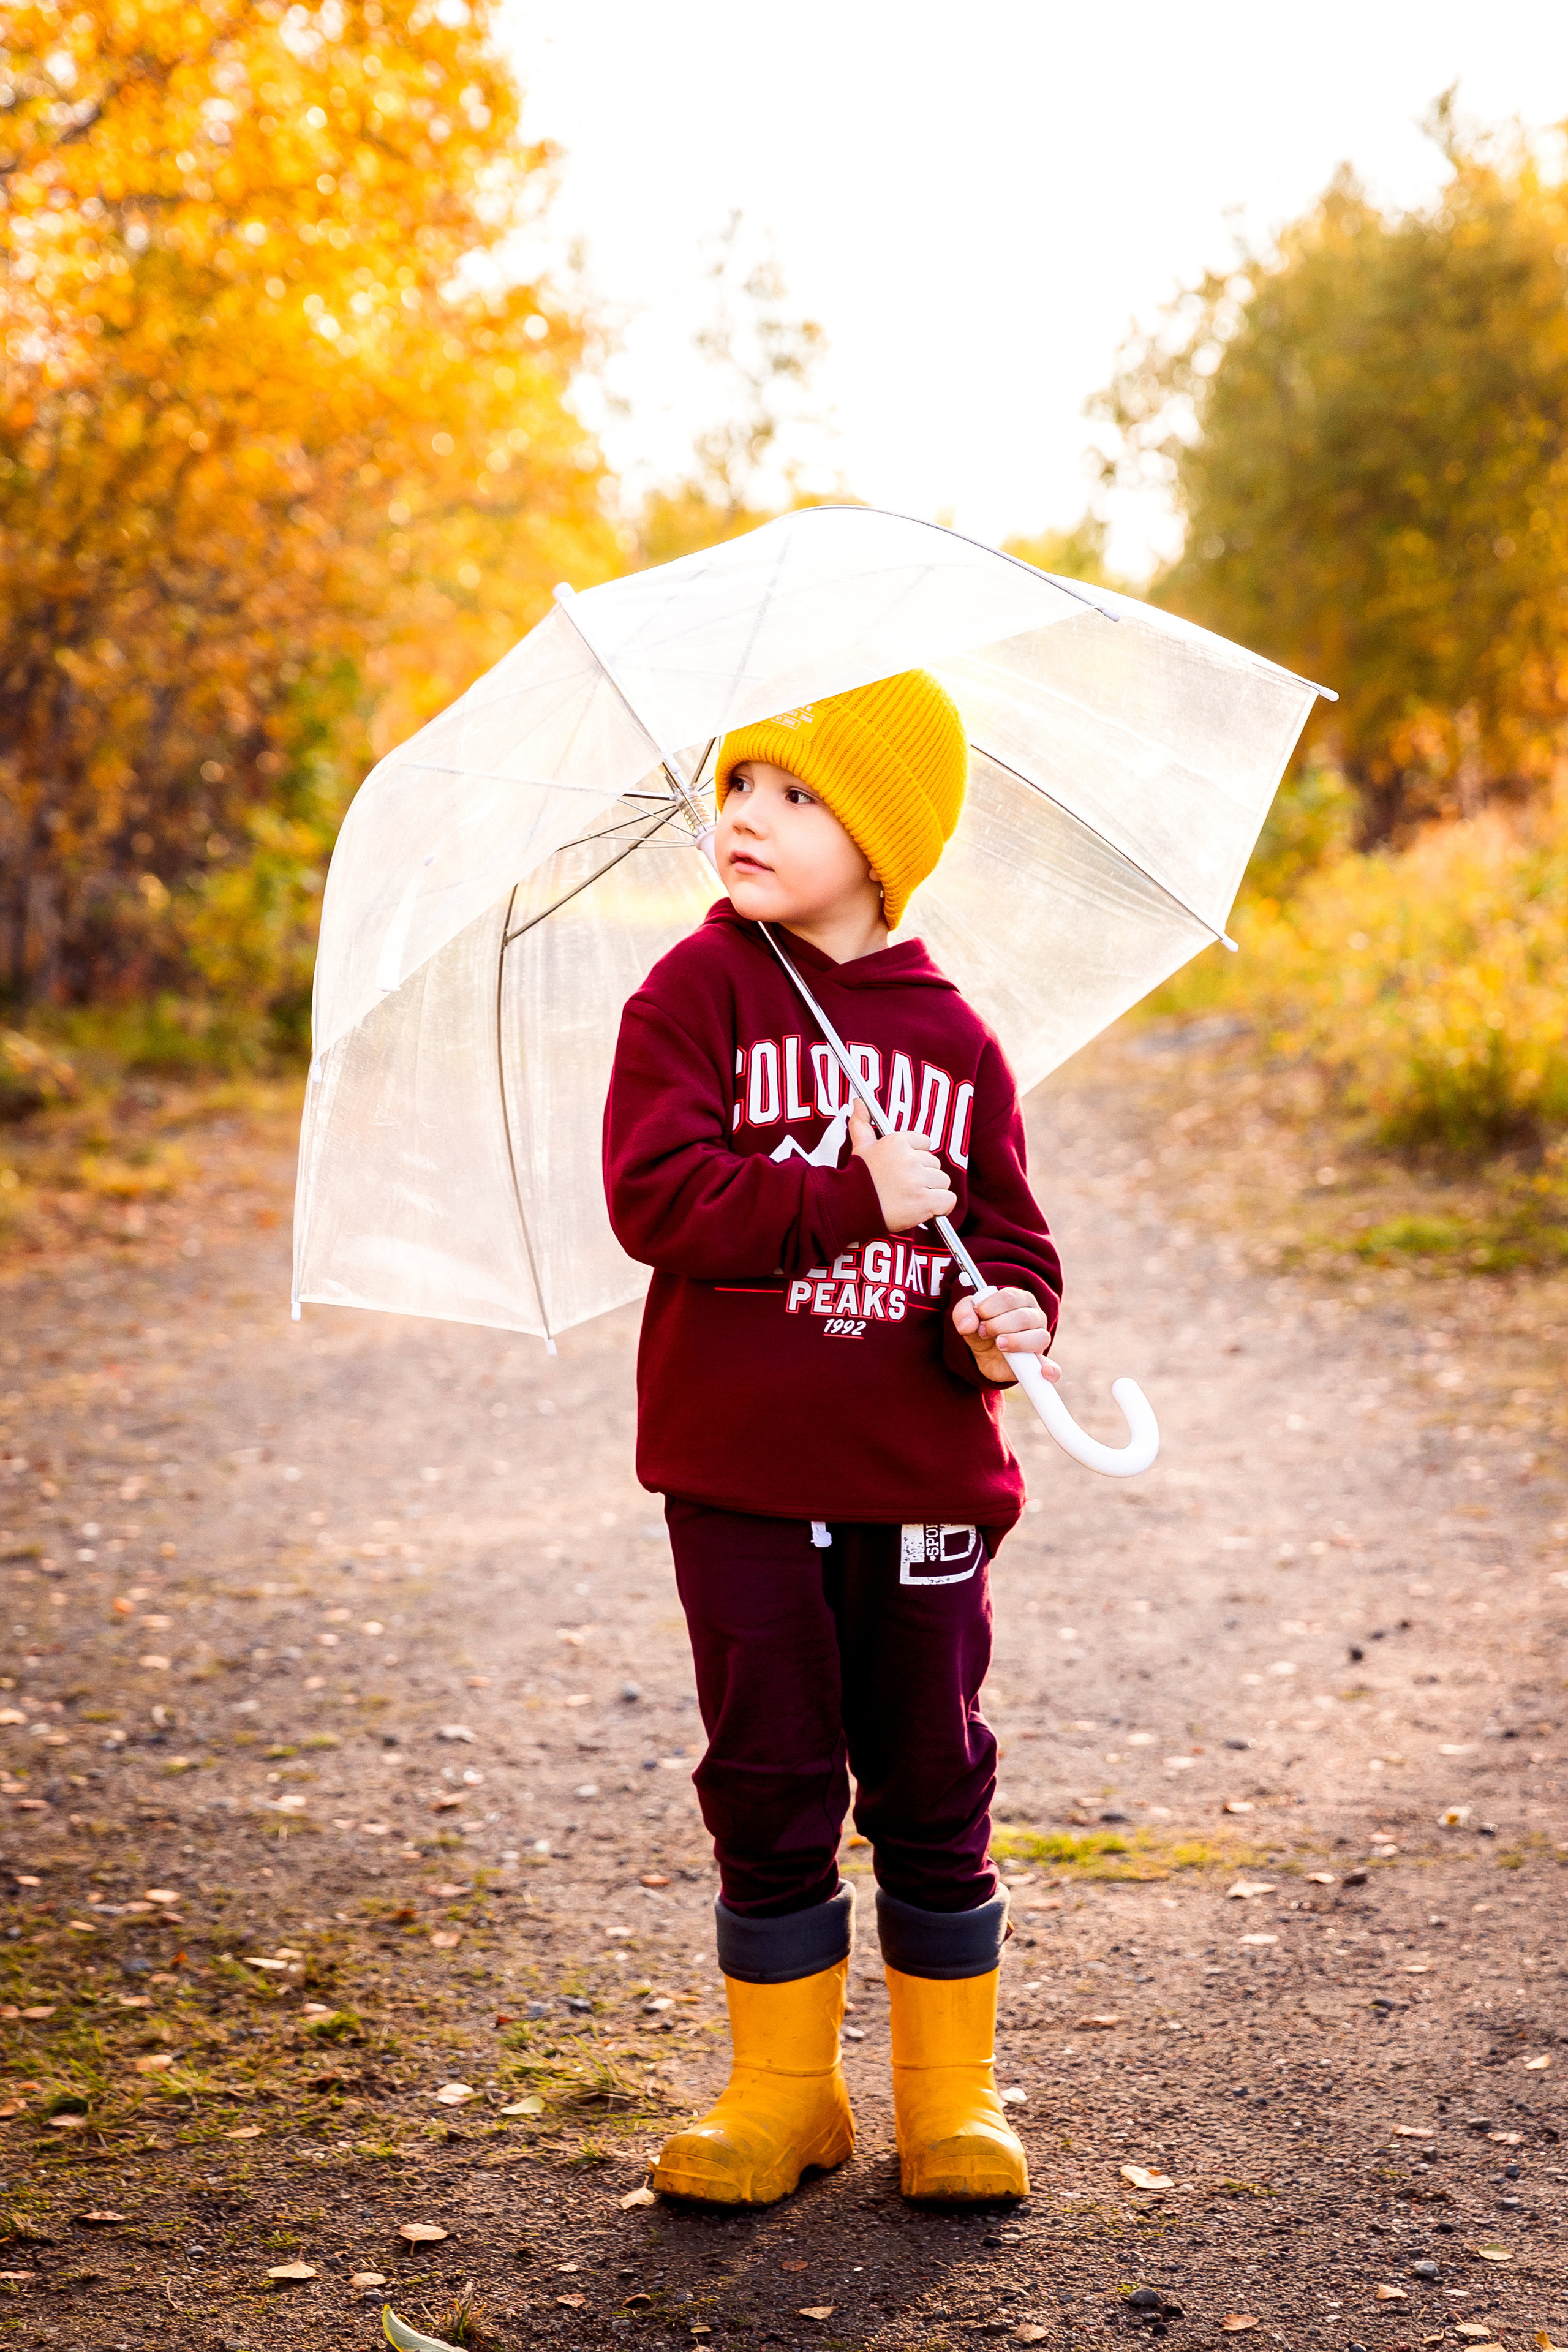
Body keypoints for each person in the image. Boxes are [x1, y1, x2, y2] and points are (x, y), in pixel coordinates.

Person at [602, 669, 1061, 2206]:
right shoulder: (692, 995)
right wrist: (841, 1196)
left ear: (882, 839)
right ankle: (782, 2093)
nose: (746, 814)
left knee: (931, 1771)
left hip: (915, 1479)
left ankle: (951, 2099)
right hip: (738, 1475)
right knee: (768, 1768)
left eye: (797, 796)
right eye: (740, 784)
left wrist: (1000, 1323)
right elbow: (654, 1200)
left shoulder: (952, 1038)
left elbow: (1004, 1244)